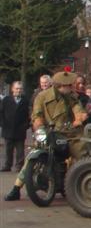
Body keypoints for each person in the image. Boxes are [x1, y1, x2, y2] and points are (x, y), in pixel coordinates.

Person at [4, 72, 86, 201]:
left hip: (68, 133)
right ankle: (16, 188)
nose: (72, 87)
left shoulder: (71, 97)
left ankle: (81, 186)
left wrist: (79, 118)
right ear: (61, 85)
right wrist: (39, 125)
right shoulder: (42, 96)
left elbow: (78, 109)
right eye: (69, 85)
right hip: (48, 132)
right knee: (31, 157)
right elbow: (36, 114)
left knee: (83, 154)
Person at [1, 81, 31, 172]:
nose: (18, 90)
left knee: (20, 150)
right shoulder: (6, 100)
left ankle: (19, 166)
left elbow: (29, 114)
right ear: (12, 89)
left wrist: (26, 125)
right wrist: (2, 123)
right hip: (8, 128)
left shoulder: (25, 101)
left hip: (20, 129)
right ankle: (7, 165)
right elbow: (1, 112)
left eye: (20, 89)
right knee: (8, 149)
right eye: (17, 88)